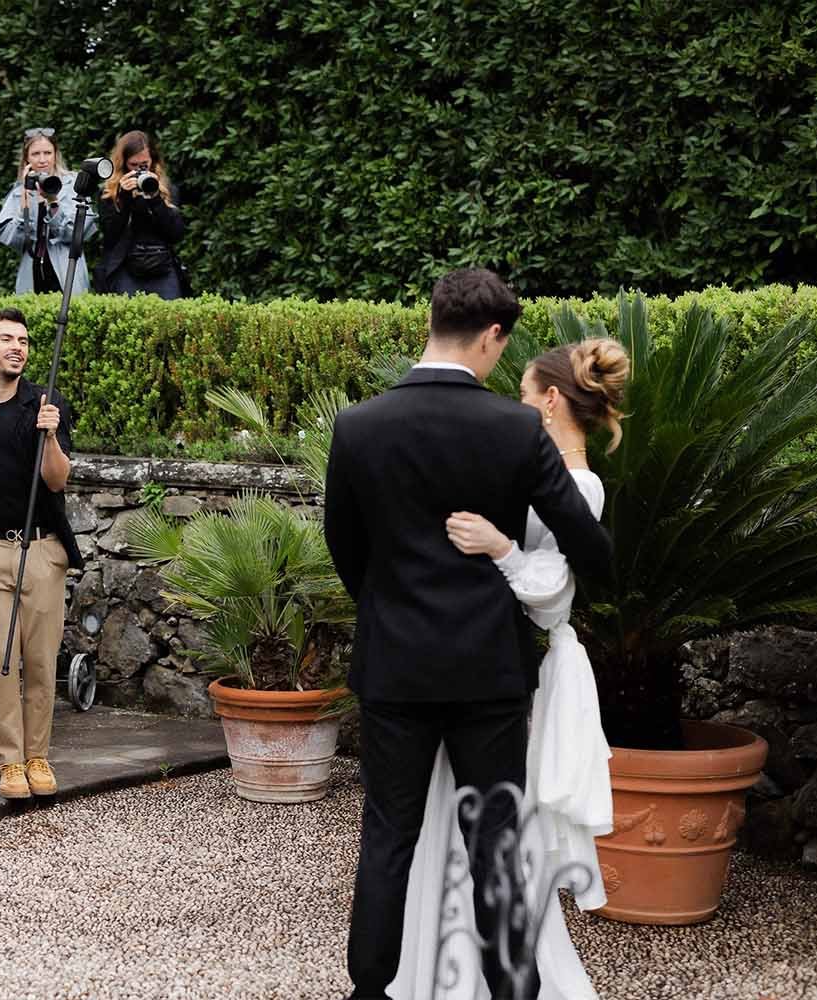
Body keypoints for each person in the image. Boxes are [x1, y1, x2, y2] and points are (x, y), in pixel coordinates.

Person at [323, 268, 613, 1000]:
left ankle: (368, 993)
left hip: (393, 668)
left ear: (432, 319)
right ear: (492, 336)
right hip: (487, 672)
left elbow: (345, 547)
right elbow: (590, 550)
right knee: (496, 847)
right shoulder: (515, 427)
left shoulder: (358, 426)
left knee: (387, 839)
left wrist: (389, 609)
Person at [391, 338, 629, 1000]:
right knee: (463, 814)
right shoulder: (524, 466)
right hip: (475, 662)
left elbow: (555, 586)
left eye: (525, 394)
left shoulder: (581, 484)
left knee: (501, 826)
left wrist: (498, 547)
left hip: (520, 669)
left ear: (551, 399)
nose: (516, 404)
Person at [0, 308, 83, 800]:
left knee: (41, 660)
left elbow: (57, 480)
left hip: (42, 550)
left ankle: (38, 755)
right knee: (0, 662)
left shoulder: (47, 404)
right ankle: (9, 763)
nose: (17, 347)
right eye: (6, 339)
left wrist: (49, 435)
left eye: (24, 340)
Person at [0, 127, 97, 295]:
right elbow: (14, 239)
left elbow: (75, 233)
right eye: (35, 154)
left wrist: (52, 202)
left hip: (67, 272)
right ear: (26, 158)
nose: (42, 160)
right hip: (31, 274)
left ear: (56, 154)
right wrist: (26, 199)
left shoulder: (74, 184)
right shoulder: (19, 191)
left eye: (47, 153)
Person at [94, 129, 186, 299]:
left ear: (153, 161)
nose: (138, 170)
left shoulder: (167, 189)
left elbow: (176, 234)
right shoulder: (109, 192)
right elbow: (110, 235)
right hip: (124, 266)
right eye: (133, 165)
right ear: (123, 164)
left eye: (144, 165)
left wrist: (155, 198)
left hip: (161, 267)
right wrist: (124, 198)